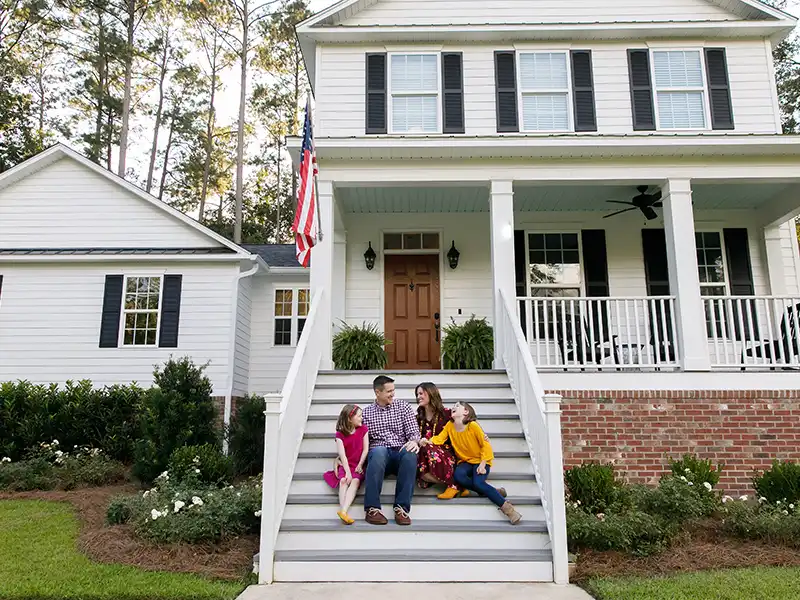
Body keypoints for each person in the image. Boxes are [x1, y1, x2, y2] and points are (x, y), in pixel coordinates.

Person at [422, 401, 522, 524]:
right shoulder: (450, 425)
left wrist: (483, 464)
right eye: (453, 407)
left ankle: (508, 509)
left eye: (457, 406)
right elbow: (440, 439)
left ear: (466, 412)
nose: (454, 408)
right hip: (465, 461)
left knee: (478, 483)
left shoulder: (472, 426)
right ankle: (493, 491)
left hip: (481, 460)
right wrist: (428, 441)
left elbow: (485, 445)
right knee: (458, 476)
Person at [361, 375, 421, 526]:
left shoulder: (403, 407)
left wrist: (414, 442)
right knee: (379, 451)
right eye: (389, 391)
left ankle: (401, 509)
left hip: (400, 451)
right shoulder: (366, 414)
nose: (393, 394)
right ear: (377, 392)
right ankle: (372, 509)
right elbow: (358, 439)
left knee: (410, 454)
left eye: (393, 390)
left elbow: (414, 433)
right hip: (380, 456)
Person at [323, 404, 369, 524]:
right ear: (350, 418)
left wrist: (360, 464)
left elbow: (366, 450)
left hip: (358, 464)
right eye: (359, 416)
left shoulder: (363, 429)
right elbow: (342, 455)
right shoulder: (339, 435)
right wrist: (348, 472)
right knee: (343, 480)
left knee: (355, 481)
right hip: (346, 464)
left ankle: (343, 511)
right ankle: (344, 512)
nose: (361, 418)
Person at [415, 382, 458, 499]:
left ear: (431, 393)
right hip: (425, 455)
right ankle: (456, 485)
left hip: (446, 454)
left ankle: (456, 485)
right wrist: (420, 441)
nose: (418, 397)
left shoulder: (448, 414)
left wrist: (482, 437)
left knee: (426, 449)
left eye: (421, 393)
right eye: (417, 394)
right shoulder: (418, 417)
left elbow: (467, 425)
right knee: (418, 467)